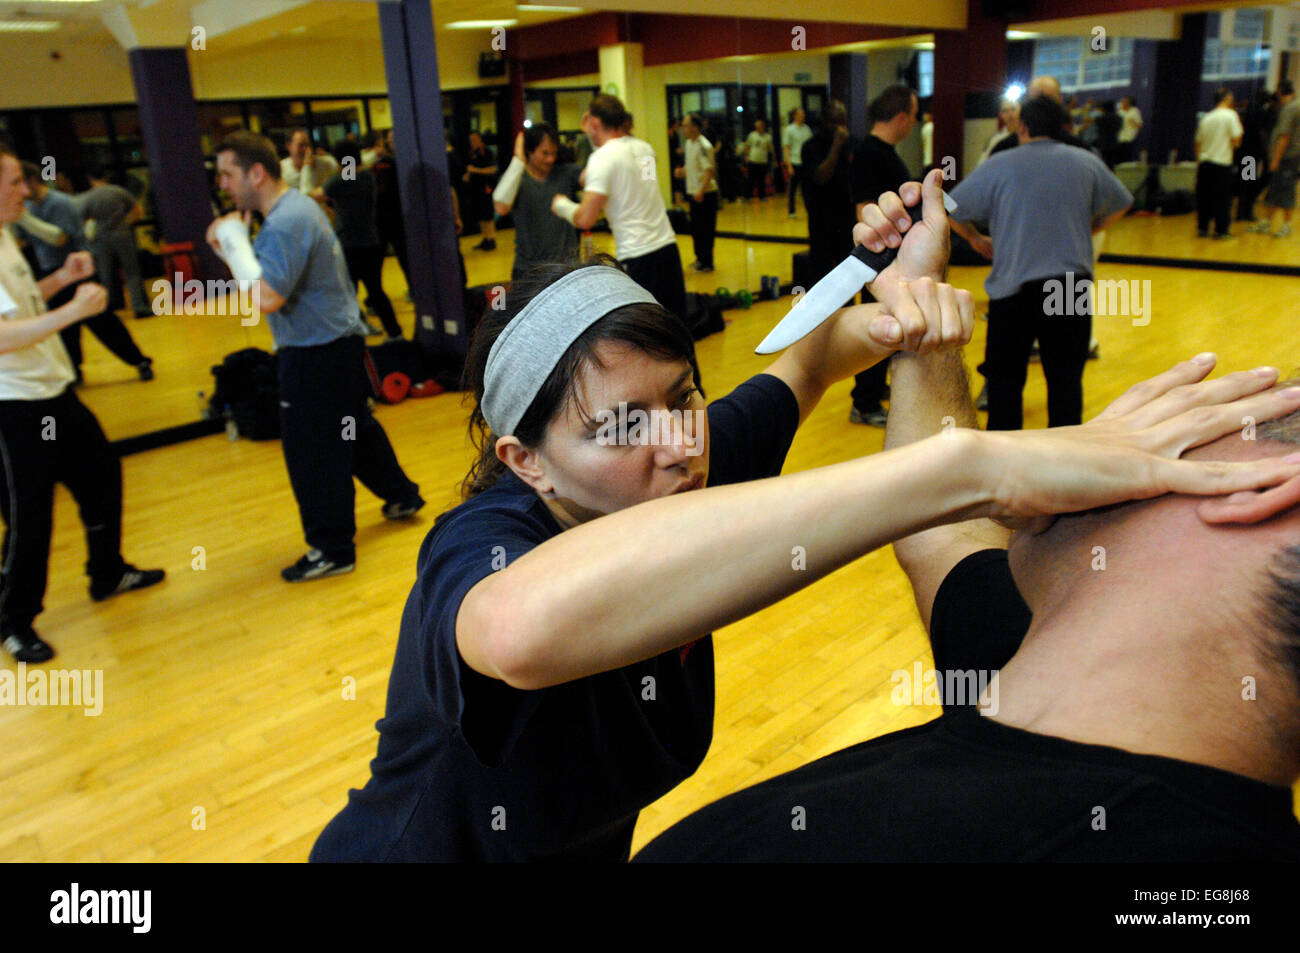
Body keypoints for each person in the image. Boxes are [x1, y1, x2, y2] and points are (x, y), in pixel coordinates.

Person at [311, 172, 1300, 862]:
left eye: (683, 393)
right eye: (622, 421)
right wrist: (976, 466)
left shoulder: (673, 464)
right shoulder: (485, 541)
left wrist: (905, 286)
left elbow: (808, 362)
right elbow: (517, 628)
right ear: (525, 461)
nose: (678, 441)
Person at [633, 311, 1300, 860]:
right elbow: (946, 537)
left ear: (1268, 487)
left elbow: (532, 614)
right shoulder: (1050, 661)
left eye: (1193, 426)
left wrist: (980, 464)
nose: (1122, 433)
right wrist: (929, 331)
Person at [207, 132, 424, 582]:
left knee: (313, 450)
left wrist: (231, 243)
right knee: (353, 428)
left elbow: (266, 296)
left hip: (315, 354)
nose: (222, 184)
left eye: (227, 174)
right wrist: (236, 243)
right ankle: (402, 495)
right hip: (335, 345)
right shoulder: (293, 211)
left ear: (256, 173)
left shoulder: (286, 221)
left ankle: (331, 549)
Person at [0, 146, 165, 664]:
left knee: (100, 474)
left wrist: (61, 281)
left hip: (52, 393)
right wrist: (72, 311)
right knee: (31, 517)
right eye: (12, 184)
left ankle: (107, 572)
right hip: (14, 406)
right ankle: (14, 621)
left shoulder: (6, 236)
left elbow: (22, 307)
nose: (25, 192)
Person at [948, 95, 1131, 431]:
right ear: (1061, 127)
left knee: (1005, 384)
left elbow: (950, 206)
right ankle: (1065, 468)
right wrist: (1089, 228)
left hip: (1014, 290)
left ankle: (1006, 466)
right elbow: (1121, 202)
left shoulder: (999, 163)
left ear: (1022, 126)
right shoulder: (1085, 161)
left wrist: (975, 238)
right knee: (1066, 383)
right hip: (1069, 285)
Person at [14, 162, 153, 382]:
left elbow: (60, 238)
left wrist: (25, 220)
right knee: (64, 330)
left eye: (19, 183)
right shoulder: (28, 208)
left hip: (79, 272)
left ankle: (139, 360)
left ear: (32, 181)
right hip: (52, 274)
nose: (19, 191)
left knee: (103, 322)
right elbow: (21, 241)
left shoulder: (59, 203)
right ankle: (73, 372)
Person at [554, 94, 686, 322]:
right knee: (676, 327)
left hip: (638, 255)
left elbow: (585, 219)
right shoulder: (645, 149)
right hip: (667, 249)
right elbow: (598, 178)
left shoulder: (603, 159)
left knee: (648, 334)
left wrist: (561, 205)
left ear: (594, 123)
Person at [849, 84, 918, 428]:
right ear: (902, 116)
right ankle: (864, 401)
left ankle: (874, 389)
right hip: (877, 262)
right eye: (914, 116)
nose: (914, 124)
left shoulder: (886, 153)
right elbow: (865, 210)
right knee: (877, 330)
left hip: (890, 262)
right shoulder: (869, 153)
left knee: (889, 329)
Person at [321, 140, 398, 340]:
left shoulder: (337, 181)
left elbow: (316, 193)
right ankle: (394, 332)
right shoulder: (368, 178)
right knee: (376, 291)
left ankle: (360, 328)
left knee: (349, 293)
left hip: (349, 246)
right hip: (371, 244)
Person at [492, 123, 582, 283]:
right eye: (545, 153)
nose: (550, 159)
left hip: (566, 267)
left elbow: (595, 178)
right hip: (529, 269)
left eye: (554, 153)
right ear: (529, 151)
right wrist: (519, 160)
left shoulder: (566, 173)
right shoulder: (517, 180)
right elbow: (501, 207)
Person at [801, 99, 856, 305]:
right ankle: (818, 316)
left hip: (845, 217)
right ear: (824, 121)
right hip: (820, 218)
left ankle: (848, 313)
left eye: (842, 121)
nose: (839, 127)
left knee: (847, 270)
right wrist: (836, 146)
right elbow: (820, 176)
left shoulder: (852, 144)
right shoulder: (811, 147)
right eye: (834, 121)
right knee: (820, 271)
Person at [79, 167, 151, 319]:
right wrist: (126, 223)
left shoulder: (88, 197)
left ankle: (107, 309)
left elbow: (82, 220)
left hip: (101, 237)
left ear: (90, 179)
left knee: (106, 274)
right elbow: (137, 211)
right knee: (132, 271)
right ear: (106, 175)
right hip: (122, 233)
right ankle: (139, 306)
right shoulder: (118, 191)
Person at [1250, 80, 1298, 238]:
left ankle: (1284, 224)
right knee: (1272, 188)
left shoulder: (1287, 109)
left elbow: (1282, 136)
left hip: (1252, 157)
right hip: (1254, 158)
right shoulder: (1278, 109)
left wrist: (1275, 158)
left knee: (1283, 189)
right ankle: (1264, 220)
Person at [1193, 86, 1242, 240]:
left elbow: (1197, 142)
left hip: (1205, 164)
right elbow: (1237, 141)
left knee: (1204, 198)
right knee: (1222, 199)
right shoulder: (1231, 115)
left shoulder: (1206, 118)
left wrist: (1199, 160)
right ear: (1227, 98)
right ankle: (1221, 231)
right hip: (1222, 164)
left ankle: (1203, 228)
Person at [674, 113, 718, 273]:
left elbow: (709, 171)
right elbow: (692, 167)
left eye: (686, 125)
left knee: (707, 229)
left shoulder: (704, 146)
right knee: (696, 229)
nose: (683, 128)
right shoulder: (688, 144)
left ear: (695, 127)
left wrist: (701, 190)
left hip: (706, 194)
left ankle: (708, 262)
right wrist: (682, 171)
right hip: (693, 193)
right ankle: (699, 258)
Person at [464, 131, 499, 251]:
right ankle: (485, 238)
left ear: (480, 139)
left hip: (486, 187)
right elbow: (471, 168)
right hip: (475, 189)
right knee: (480, 214)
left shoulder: (487, 152)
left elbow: (492, 169)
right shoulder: (472, 153)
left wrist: (475, 170)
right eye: (470, 140)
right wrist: (468, 175)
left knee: (487, 214)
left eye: (474, 140)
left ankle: (492, 239)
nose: (472, 142)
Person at [280, 129, 338, 199]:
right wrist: (307, 166)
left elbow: (336, 165)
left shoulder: (320, 163)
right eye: (301, 145)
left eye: (307, 145)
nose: (306, 149)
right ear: (288, 146)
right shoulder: (281, 168)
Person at [782, 108, 813, 219]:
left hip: (805, 163)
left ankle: (809, 210)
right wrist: (789, 165)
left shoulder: (807, 129)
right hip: (794, 162)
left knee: (807, 190)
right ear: (795, 115)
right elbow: (786, 148)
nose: (803, 116)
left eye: (803, 114)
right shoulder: (789, 130)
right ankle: (791, 211)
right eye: (800, 114)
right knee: (792, 190)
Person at [979, 99, 1020, 166]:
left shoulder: (1027, 138)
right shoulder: (995, 141)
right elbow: (982, 165)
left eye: (1013, 109)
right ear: (1001, 115)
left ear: (1020, 111)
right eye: (1005, 111)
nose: (1010, 114)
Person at [743, 118, 774, 200]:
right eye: (756, 126)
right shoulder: (752, 135)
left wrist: (773, 160)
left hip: (763, 161)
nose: (758, 128)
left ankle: (762, 196)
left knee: (761, 180)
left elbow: (771, 149)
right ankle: (747, 196)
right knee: (750, 179)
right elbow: (747, 146)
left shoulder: (768, 137)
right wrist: (746, 156)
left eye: (759, 126)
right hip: (753, 160)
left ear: (763, 127)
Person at [1117, 95, 1143, 163]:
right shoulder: (1120, 112)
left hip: (1130, 138)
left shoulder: (1135, 111)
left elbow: (1139, 125)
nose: (1122, 103)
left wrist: (1133, 122)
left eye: (1123, 102)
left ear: (1128, 103)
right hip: (1120, 138)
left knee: (1127, 157)